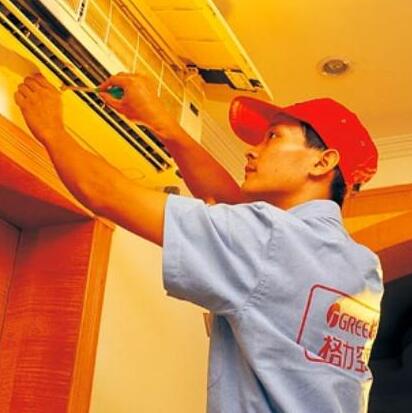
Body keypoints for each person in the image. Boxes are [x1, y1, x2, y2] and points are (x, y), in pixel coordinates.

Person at [15, 72, 383, 413]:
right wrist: (163, 123)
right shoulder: (363, 267)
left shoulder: (268, 238)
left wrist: (52, 130)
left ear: (322, 162)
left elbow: (104, 193)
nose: (252, 150)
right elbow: (240, 218)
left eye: (273, 136)